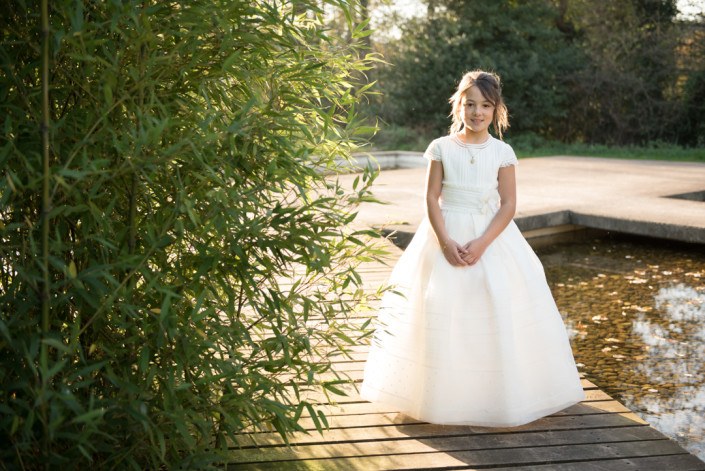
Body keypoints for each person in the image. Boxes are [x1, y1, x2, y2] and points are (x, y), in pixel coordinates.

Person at [360, 70, 584, 427]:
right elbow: (431, 197)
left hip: (491, 236)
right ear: (458, 105)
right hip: (446, 233)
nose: (477, 112)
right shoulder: (441, 147)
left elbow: (508, 204)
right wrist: (446, 241)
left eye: (485, 105)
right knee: (442, 304)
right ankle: (441, 394)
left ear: (496, 110)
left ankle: (496, 392)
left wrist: (481, 243)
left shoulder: (502, 151)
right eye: (470, 104)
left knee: (496, 303)